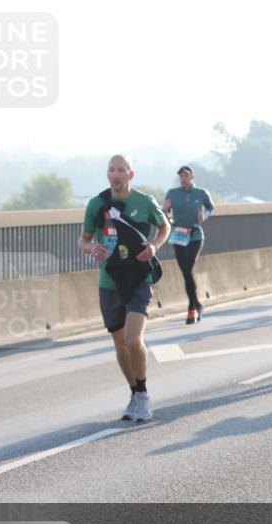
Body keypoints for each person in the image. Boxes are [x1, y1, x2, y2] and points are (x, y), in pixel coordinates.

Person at [79, 155, 170, 421]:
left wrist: (154, 246)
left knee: (133, 339)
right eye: (111, 170)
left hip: (139, 277)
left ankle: (143, 394)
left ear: (131, 175)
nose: (115, 175)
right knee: (120, 345)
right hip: (110, 281)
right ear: (107, 174)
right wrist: (92, 247)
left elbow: (165, 226)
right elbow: (83, 240)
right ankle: (134, 393)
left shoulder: (145, 202)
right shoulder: (97, 204)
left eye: (121, 170)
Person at [163, 166, 214, 324]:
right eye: (181, 176)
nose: (183, 178)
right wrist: (165, 211)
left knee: (188, 266)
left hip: (195, 235)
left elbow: (210, 207)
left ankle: (191, 308)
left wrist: (204, 215)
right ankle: (197, 304)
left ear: (192, 176)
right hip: (178, 235)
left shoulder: (201, 193)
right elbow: (165, 210)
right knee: (185, 271)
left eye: (186, 175)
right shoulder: (172, 193)